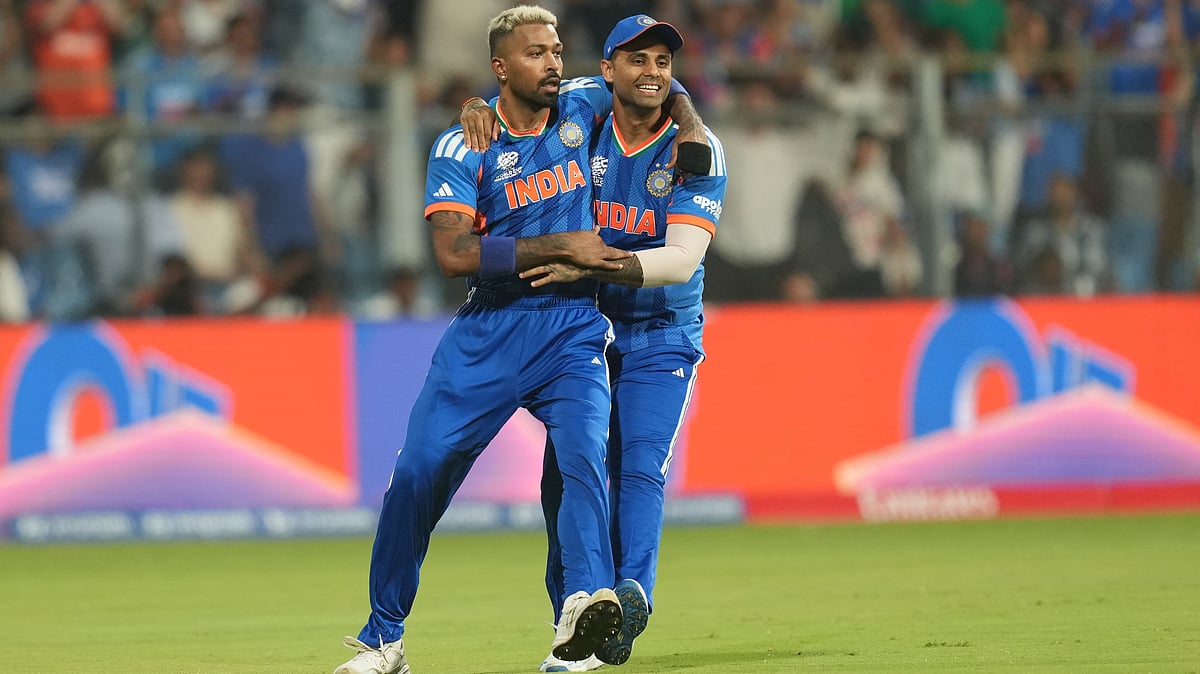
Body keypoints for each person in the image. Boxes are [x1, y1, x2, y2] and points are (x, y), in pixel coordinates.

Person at [333, 6, 669, 673]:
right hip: (489, 329)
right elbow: (454, 253)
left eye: (556, 51)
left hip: (572, 326)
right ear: (500, 67)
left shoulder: (583, 102)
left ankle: (579, 621)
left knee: (581, 464)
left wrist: (684, 124)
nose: (553, 63)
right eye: (536, 53)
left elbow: (659, 87)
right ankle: (383, 641)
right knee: (416, 475)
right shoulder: (464, 145)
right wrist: (559, 244)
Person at [516, 15, 727, 672]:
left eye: (663, 61)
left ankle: (631, 595)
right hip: (581, 333)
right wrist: (473, 108)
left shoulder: (700, 150)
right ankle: (575, 613)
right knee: (566, 479)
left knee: (639, 469)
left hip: (661, 334)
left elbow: (680, 261)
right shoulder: (581, 104)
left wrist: (588, 265)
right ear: (607, 70)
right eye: (637, 60)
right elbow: (515, 99)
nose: (652, 72)